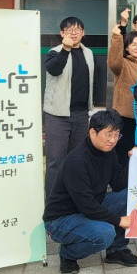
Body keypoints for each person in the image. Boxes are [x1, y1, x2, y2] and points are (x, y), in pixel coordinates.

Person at [43, 110, 137, 274]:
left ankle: (116, 250)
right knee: (105, 233)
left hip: (91, 205)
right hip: (61, 219)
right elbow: (87, 206)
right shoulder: (77, 162)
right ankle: (68, 254)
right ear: (92, 132)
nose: (113, 140)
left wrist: (132, 160)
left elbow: (118, 184)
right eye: (108, 135)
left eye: (116, 135)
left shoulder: (108, 151)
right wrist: (119, 220)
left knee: (131, 195)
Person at [43, 17, 95, 197]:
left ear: (83, 33)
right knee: (55, 162)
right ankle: (52, 202)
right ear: (62, 33)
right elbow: (54, 69)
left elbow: (92, 81)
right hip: (58, 115)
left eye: (77, 29)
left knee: (76, 160)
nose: (74, 33)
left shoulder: (88, 53)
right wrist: (65, 49)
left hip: (81, 115)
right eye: (69, 29)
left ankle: (72, 199)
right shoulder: (54, 52)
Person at [107, 18, 137, 168]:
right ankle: (120, 182)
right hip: (124, 118)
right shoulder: (122, 64)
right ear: (127, 47)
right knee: (122, 156)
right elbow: (113, 61)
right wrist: (117, 38)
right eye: (133, 44)